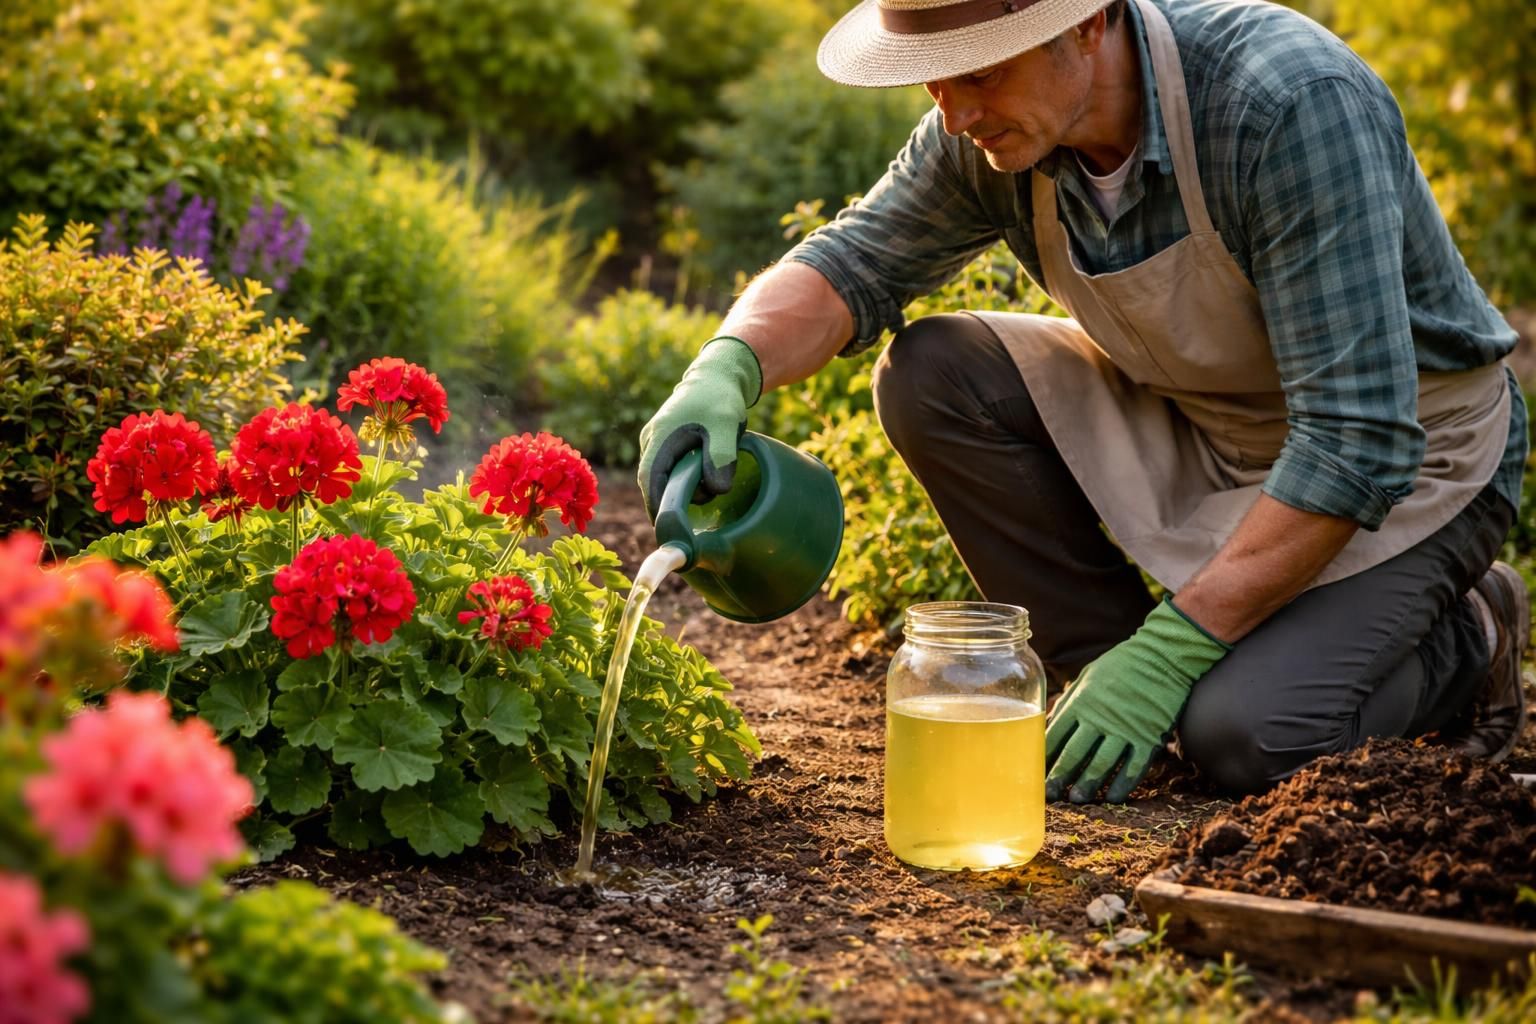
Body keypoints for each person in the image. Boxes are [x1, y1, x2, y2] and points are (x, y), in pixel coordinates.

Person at [636, 0, 1530, 803]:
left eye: (981, 71)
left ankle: (1472, 637)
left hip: (1413, 463)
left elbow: (1357, 437)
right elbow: (850, 264)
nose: (954, 113)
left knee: (1246, 738)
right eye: (934, 80)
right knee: (934, 370)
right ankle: (1105, 677)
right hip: (1201, 419)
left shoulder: (1285, 104)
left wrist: (1176, 653)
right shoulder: (989, 130)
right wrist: (725, 366)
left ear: (1086, 22)